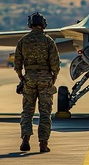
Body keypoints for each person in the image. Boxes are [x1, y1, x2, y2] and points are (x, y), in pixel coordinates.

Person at [14, 12, 60, 152]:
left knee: (27, 111)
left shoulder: (23, 41)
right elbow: (55, 63)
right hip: (45, 79)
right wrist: (54, 77)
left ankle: (25, 139)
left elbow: (17, 62)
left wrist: (21, 76)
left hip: (29, 79)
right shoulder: (48, 41)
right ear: (43, 24)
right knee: (45, 112)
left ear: (30, 25)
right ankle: (43, 144)